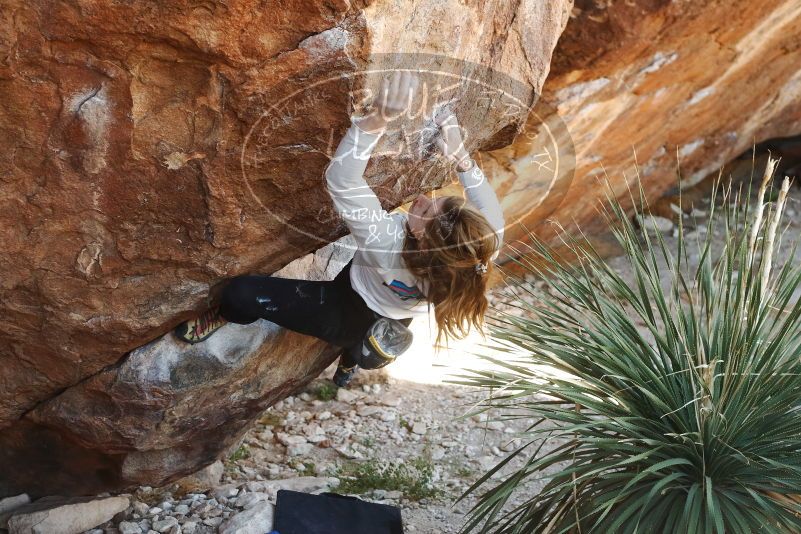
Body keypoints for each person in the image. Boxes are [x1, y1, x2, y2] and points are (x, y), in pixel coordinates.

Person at [174, 71, 505, 386]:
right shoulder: (481, 245)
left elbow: (343, 179)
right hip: (397, 310)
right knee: (372, 341)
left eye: (422, 212)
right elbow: (485, 201)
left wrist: (377, 119)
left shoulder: (386, 246)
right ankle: (355, 358)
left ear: (420, 240)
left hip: (345, 306)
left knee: (241, 294)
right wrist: (460, 155)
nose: (420, 199)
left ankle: (239, 319)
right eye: (437, 201)